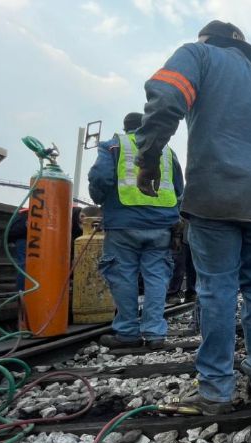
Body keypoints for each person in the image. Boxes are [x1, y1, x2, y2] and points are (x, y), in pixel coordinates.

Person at [133, 20, 251, 415]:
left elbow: (166, 97)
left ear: (210, 39)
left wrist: (148, 158)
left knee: (217, 288)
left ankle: (217, 389)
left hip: (214, 196)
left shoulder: (198, 55)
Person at [88, 112, 184, 350]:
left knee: (123, 276)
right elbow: (179, 188)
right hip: (161, 226)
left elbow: (100, 178)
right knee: (156, 277)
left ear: (125, 127)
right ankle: (154, 333)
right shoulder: (167, 152)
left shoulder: (112, 145)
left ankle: (128, 332)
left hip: (123, 223)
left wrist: (101, 200)